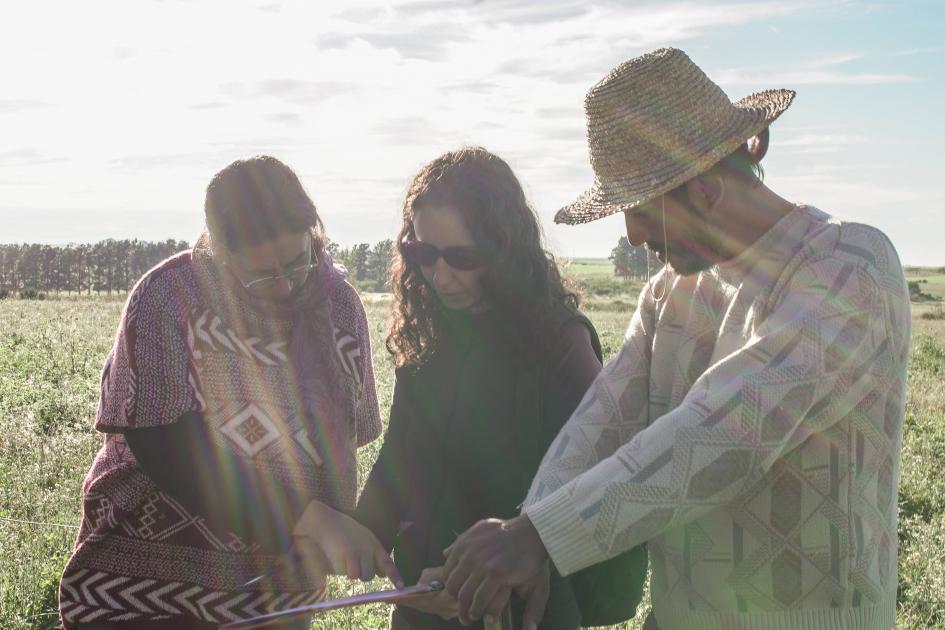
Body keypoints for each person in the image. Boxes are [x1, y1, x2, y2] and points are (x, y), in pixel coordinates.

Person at [442, 48, 910, 630]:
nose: (632, 235)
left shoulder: (849, 269)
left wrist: (537, 538)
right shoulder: (672, 293)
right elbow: (603, 421)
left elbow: (731, 430)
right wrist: (533, 531)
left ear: (708, 188)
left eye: (637, 209)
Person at [58, 155, 400, 630]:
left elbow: (345, 438)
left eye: (297, 261)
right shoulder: (167, 296)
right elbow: (165, 448)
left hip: (278, 596)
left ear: (313, 231)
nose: (283, 285)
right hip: (143, 595)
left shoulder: (340, 306)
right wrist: (306, 517)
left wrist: (345, 524)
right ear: (220, 251)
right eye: (261, 274)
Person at [354, 147, 608, 630]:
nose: (439, 276)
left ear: (504, 249)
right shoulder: (427, 330)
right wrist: (362, 531)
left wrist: (522, 553)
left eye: (462, 257)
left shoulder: (560, 340)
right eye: (423, 254)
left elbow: (599, 472)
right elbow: (402, 453)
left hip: (525, 608)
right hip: (424, 605)